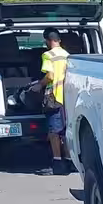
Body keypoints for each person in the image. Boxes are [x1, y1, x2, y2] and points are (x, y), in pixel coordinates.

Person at [36, 28, 71, 176]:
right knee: (65, 131)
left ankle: (57, 163)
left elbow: (50, 76)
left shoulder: (47, 55)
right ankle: (69, 160)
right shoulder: (67, 55)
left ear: (47, 41)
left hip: (54, 97)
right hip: (67, 96)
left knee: (54, 132)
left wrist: (39, 85)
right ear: (59, 40)